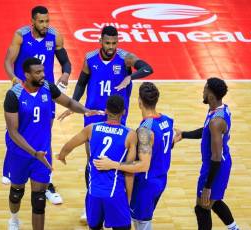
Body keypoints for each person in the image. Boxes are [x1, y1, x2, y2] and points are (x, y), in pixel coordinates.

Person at [57, 25, 154, 221]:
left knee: (119, 162)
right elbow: (82, 83)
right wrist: (74, 106)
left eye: (114, 43)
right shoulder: (90, 58)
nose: (111, 47)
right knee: (92, 161)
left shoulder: (125, 58)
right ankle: (90, 205)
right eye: (107, 43)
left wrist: (130, 76)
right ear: (100, 41)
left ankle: (118, 201)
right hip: (93, 114)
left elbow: (147, 68)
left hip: (117, 116)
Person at [3, 58, 102, 230]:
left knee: (39, 199)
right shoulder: (14, 95)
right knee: (16, 192)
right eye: (38, 72)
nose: (43, 75)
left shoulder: (48, 88)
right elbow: (13, 132)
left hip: (42, 153)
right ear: (27, 75)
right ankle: (14, 219)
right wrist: (34, 153)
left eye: (43, 71)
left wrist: (86, 110)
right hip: (19, 153)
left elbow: (69, 102)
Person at [3, 5, 72, 204]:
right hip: (24, 91)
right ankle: (12, 166)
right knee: (16, 131)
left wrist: (66, 75)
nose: (45, 25)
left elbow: (65, 61)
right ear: (32, 21)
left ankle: (47, 181)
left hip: (45, 94)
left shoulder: (55, 36)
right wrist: (14, 79)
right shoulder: (20, 36)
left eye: (47, 21)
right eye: (41, 21)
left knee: (45, 135)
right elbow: (8, 60)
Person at [94, 82, 174, 230]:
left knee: (141, 224)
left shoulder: (144, 130)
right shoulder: (167, 120)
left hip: (146, 184)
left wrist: (113, 164)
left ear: (139, 102)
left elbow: (144, 165)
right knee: (145, 220)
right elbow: (170, 142)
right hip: (161, 179)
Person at [57, 95, 137, 230]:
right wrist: (128, 198)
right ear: (124, 111)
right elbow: (129, 172)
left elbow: (70, 144)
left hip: (94, 193)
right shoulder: (130, 135)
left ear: (106, 110)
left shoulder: (91, 128)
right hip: (115, 195)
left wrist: (62, 155)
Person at [174, 77, 240, 230]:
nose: (202, 92)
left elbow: (216, 157)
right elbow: (206, 132)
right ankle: (234, 227)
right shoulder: (219, 109)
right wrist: (183, 134)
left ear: (210, 95)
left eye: (205, 90)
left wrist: (208, 186)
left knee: (202, 207)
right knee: (213, 202)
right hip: (220, 163)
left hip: (215, 166)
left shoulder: (216, 121)